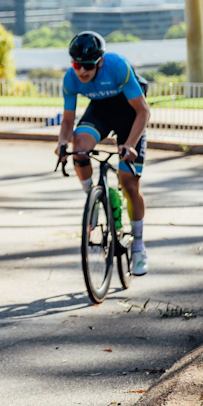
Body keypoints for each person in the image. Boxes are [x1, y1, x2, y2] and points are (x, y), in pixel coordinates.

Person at [56, 31, 151, 275]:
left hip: (130, 114)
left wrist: (130, 144)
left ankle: (138, 246)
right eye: (77, 65)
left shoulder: (117, 66)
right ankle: (93, 198)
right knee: (79, 149)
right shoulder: (71, 79)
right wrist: (62, 142)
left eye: (87, 65)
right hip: (100, 112)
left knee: (129, 184)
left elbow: (143, 112)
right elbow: (68, 121)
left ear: (99, 61)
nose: (82, 71)